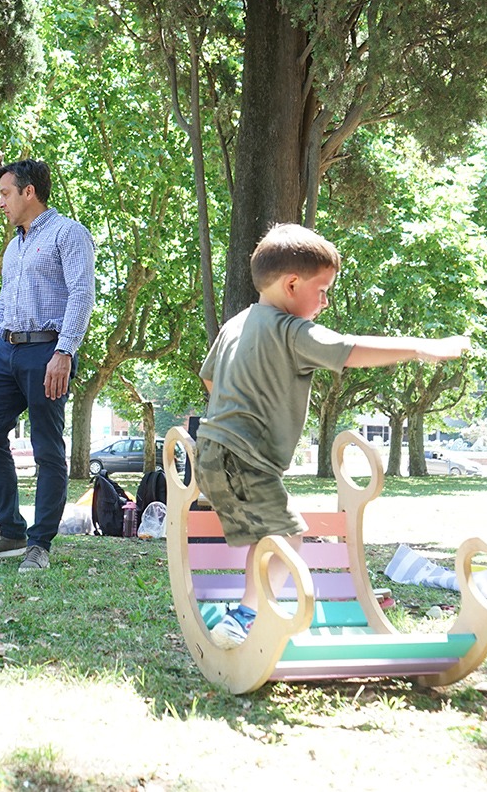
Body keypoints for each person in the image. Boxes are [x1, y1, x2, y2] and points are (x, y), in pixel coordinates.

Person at [197, 223, 471, 650]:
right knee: (289, 536)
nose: (325, 301)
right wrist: (420, 347)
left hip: (210, 452)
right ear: (292, 284)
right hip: (245, 458)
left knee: (273, 533)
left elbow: (210, 379)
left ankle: (250, 612)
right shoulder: (291, 331)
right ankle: (244, 618)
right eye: (322, 290)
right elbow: (350, 349)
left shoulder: (236, 324)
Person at [0, 159, 96, 573]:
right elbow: (4, 303)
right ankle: (10, 530)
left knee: (46, 448)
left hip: (47, 351)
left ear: (28, 192)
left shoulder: (68, 233)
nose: (0, 202)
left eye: (5, 193)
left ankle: (39, 544)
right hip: (7, 352)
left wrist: (65, 351)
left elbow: (82, 294)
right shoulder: (14, 246)